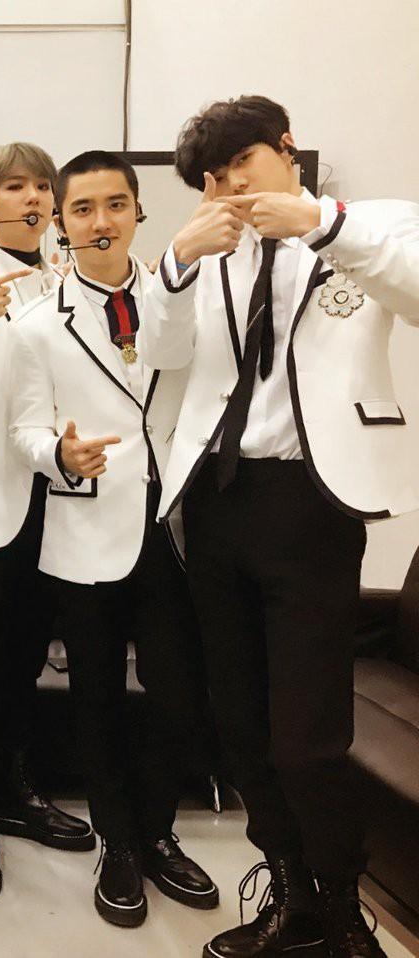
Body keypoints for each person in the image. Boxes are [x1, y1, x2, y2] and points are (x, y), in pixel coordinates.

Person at [140, 94, 419, 958]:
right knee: (242, 728)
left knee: (308, 739)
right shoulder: (207, 251)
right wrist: (176, 264)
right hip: (216, 501)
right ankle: (291, 899)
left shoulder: (369, 225)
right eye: (213, 178)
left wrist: (322, 225)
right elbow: (161, 356)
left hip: (313, 503)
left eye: (242, 164)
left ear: (286, 147)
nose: (231, 187)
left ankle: (342, 911)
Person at [11, 149, 218, 928]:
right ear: (61, 224)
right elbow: (25, 430)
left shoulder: (182, 299)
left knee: (176, 691)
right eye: (83, 209)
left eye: (115, 205)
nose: (101, 221)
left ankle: (158, 831)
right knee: (95, 696)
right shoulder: (37, 326)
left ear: (137, 211)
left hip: (171, 529)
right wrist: (57, 456)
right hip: (87, 525)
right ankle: (118, 843)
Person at [0, 142, 95, 902]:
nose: (33, 198)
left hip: (59, 500)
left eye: (42, 186)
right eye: (15, 187)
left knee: (32, 655)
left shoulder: (74, 281)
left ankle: (18, 788)